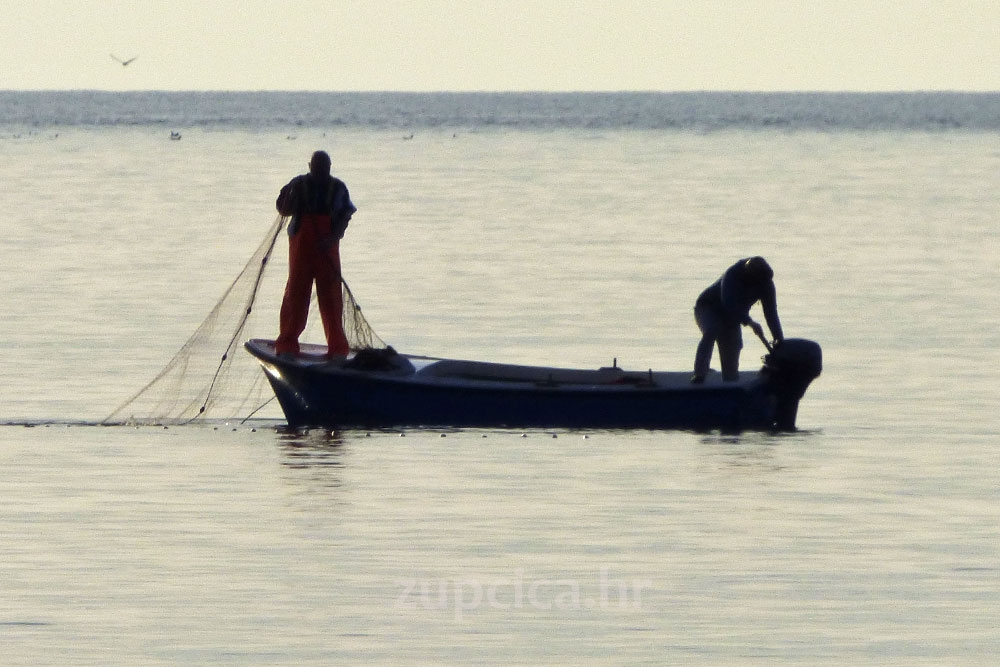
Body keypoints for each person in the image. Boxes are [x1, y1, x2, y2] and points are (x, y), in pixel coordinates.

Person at [274, 150, 357, 357]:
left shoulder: (338, 188)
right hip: (301, 250)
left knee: (331, 299)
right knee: (296, 296)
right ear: (310, 166)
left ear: (330, 167)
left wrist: (332, 238)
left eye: (325, 167)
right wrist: (285, 193)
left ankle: (337, 349)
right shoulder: (298, 184)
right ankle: (287, 344)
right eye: (317, 167)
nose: (321, 171)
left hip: (326, 250)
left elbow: (345, 215)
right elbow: (283, 210)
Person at [691, 256, 784, 383]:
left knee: (734, 349)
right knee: (713, 329)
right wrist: (750, 323)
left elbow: (771, 315)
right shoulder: (732, 275)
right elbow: (729, 305)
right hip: (708, 308)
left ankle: (730, 386)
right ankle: (700, 374)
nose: (759, 286)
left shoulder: (766, 284)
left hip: (732, 318)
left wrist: (780, 342)